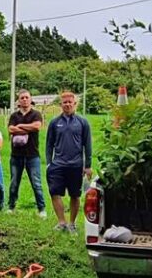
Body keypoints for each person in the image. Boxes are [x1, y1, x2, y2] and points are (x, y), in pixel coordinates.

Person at [45, 91, 92, 234]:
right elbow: (49, 144)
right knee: (54, 192)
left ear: (75, 104)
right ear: (61, 104)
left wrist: (88, 166)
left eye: (70, 102)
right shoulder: (54, 123)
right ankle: (61, 222)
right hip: (58, 164)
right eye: (65, 102)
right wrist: (49, 163)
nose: (67, 104)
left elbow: (87, 145)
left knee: (75, 195)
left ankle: (72, 223)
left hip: (76, 165)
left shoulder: (82, 122)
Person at [7, 90, 46, 217]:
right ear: (18, 101)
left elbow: (37, 126)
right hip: (16, 155)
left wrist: (20, 126)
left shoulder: (36, 114)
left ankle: (41, 209)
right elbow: (10, 129)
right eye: (22, 98)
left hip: (32, 155)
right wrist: (27, 129)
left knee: (36, 183)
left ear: (30, 99)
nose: (24, 99)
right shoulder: (14, 116)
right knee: (14, 183)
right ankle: (11, 207)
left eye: (26, 97)